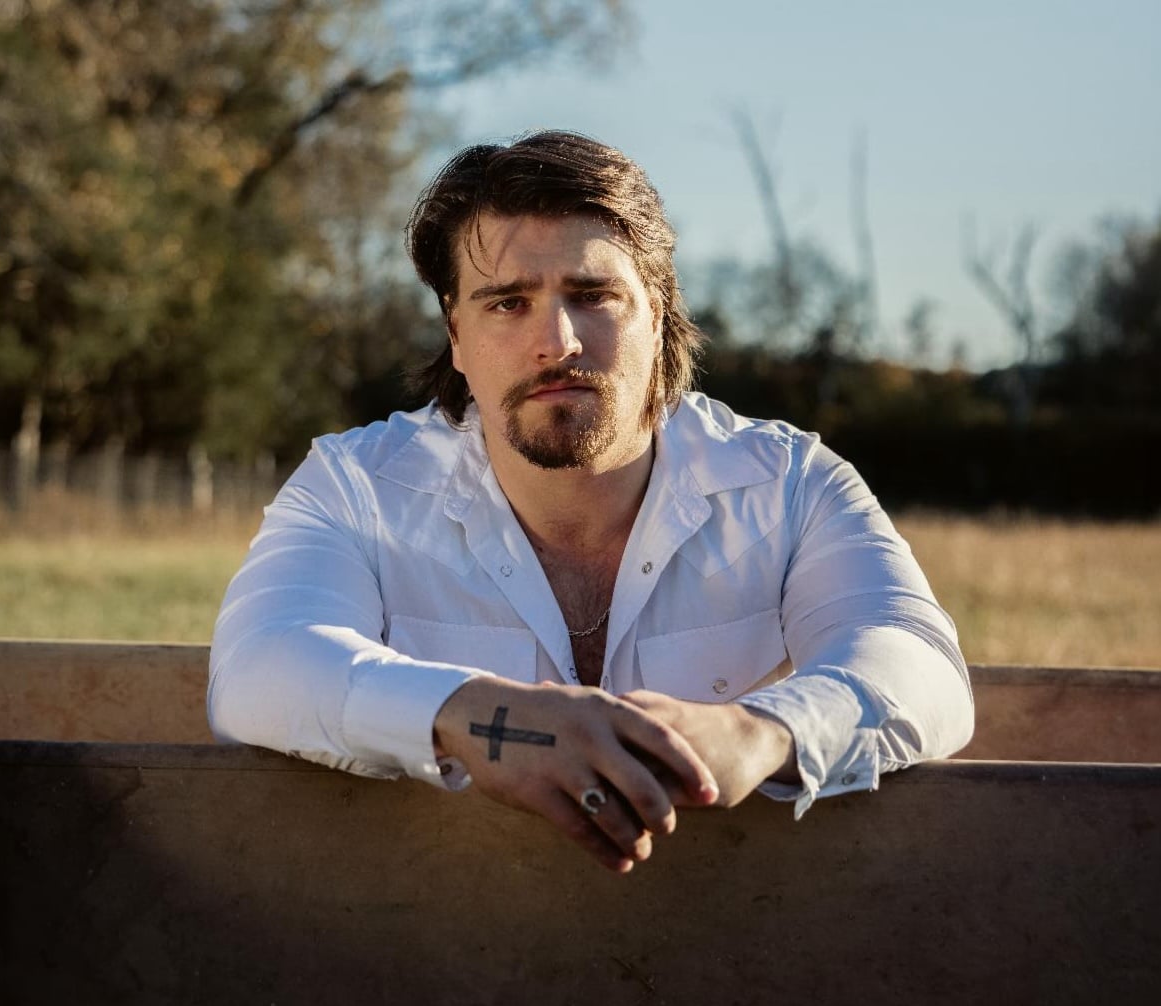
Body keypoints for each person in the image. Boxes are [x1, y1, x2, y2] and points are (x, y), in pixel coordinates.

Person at [209, 130, 973, 874]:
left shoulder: (790, 483)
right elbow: (258, 662)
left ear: (657, 314)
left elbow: (920, 664)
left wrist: (761, 731)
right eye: (508, 303)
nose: (557, 341)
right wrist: (479, 716)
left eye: (593, 295)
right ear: (455, 333)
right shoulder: (355, 488)